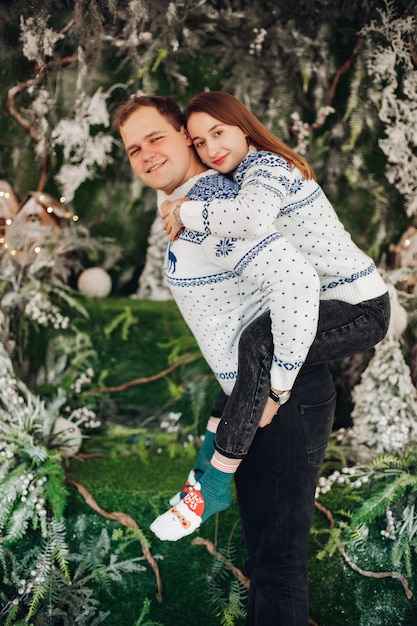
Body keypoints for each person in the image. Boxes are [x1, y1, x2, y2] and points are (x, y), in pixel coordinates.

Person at [113, 95, 322, 541]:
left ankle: (208, 487)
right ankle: (206, 482)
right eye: (134, 149)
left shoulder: (210, 204)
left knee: (275, 558)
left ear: (187, 140)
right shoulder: (178, 199)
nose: (146, 154)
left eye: (156, 138)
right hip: (250, 389)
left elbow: (296, 280)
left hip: (279, 397)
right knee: (263, 551)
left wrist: (279, 386)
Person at [161, 91, 390, 496]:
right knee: (241, 360)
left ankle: (216, 478)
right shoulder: (244, 172)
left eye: (218, 132)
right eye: (199, 142)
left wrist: (183, 211)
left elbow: (251, 217)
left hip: (361, 306)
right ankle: (202, 473)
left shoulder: (268, 166)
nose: (211, 148)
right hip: (330, 300)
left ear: (244, 128)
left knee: (258, 343)